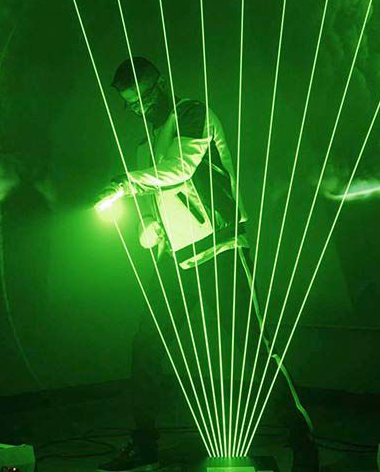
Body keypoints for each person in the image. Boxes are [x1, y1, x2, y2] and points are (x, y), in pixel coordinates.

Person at [96, 57, 320, 472]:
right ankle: (144, 445)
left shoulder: (193, 113)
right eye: (130, 104)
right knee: (146, 348)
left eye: (144, 97)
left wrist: (126, 183)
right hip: (176, 261)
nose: (140, 108)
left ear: (161, 84)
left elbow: (180, 169)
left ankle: (302, 441)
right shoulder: (144, 145)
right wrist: (150, 226)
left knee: (252, 350)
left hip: (221, 248)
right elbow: (153, 203)